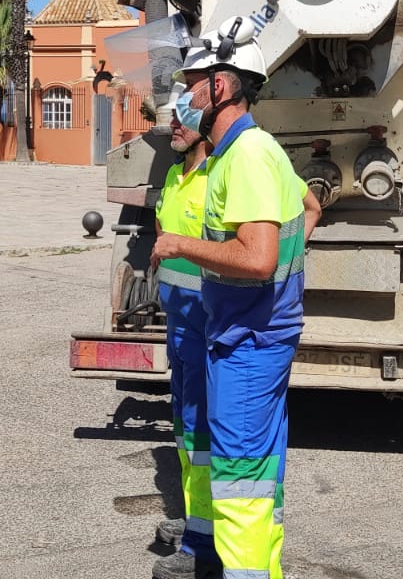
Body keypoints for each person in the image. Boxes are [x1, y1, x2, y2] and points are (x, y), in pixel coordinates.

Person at [153, 17, 319, 579]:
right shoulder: (250, 150)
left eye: (190, 85)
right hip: (252, 334)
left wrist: (181, 244)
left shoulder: (246, 154)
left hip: (248, 341)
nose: (183, 97)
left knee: (239, 482)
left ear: (219, 85)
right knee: (256, 474)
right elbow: (307, 213)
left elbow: (257, 258)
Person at [149, 100, 217, 579]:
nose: (172, 123)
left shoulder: (221, 176)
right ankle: (197, 519)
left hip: (210, 324)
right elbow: (162, 232)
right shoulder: (175, 176)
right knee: (187, 429)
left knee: (206, 431)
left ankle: (206, 542)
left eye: (183, 115)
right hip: (180, 325)